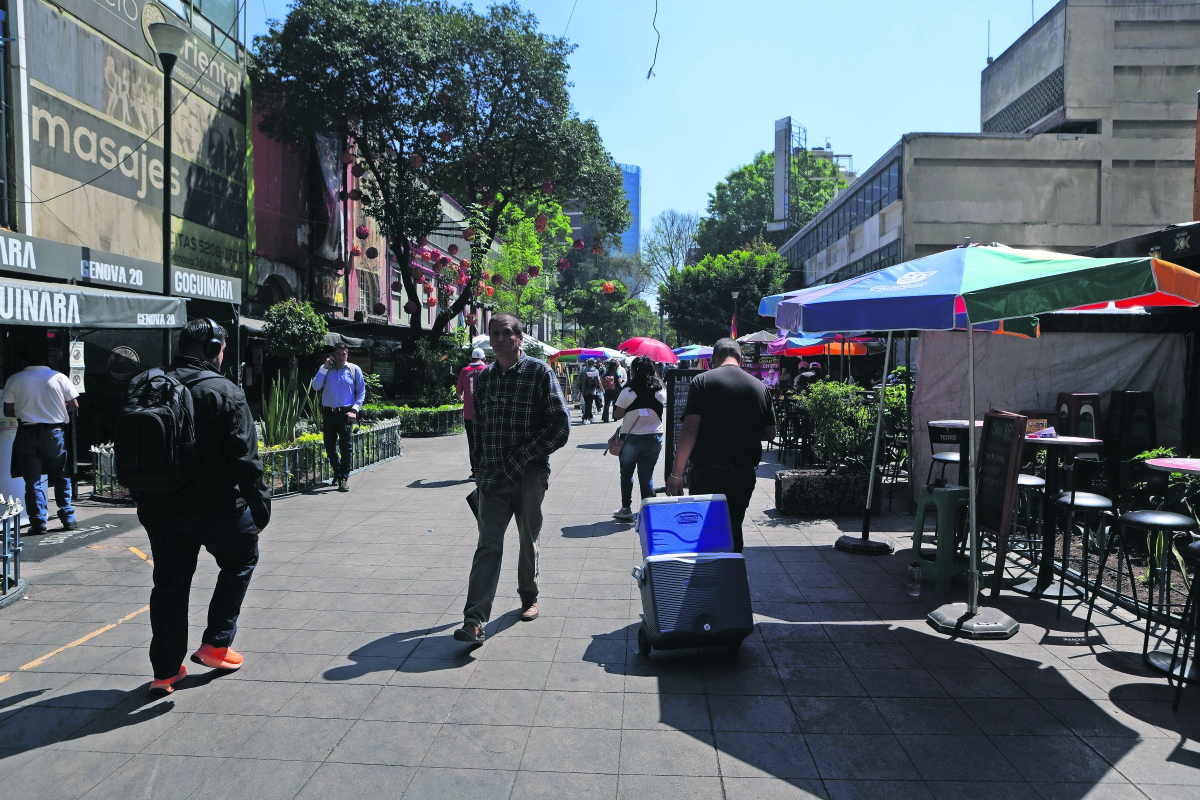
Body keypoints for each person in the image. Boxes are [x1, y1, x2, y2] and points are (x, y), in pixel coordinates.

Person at [135, 319, 271, 696]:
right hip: (217, 506)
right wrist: (260, 510)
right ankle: (216, 642)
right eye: (222, 349)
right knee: (242, 557)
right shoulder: (223, 390)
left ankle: (164, 673)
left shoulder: (150, 384)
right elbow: (245, 458)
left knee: (169, 582)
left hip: (160, 506)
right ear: (213, 348)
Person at [455, 313, 570, 643]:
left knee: (526, 537)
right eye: (495, 333)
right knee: (488, 544)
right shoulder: (486, 379)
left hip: (529, 475)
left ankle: (528, 596)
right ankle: (474, 620)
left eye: (507, 333)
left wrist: (524, 455)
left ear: (520, 338)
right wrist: (477, 465)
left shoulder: (538, 373)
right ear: (490, 340)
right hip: (492, 477)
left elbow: (560, 427)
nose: (501, 338)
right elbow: (479, 427)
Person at [666, 338, 776, 552]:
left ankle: (711, 577)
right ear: (740, 359)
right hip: (744, 473)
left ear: (712, 360)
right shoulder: (760, 387)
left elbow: (689, 429)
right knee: (734, 526)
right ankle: (733, 574)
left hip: (708, 472)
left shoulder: (702, 382)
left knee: (706, 529)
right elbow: (771, 433)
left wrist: (677, 473)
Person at [3, 343, 79, 534]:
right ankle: (68, 518)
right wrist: (58, 410)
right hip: (55, 432)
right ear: (46, 360)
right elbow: (74, 404)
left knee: (33, 480)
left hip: (27, 432)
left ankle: (38, 523)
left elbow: (8, 410)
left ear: (23, 360)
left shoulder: (14, 379)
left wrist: (26, 410)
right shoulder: (59, 377)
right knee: (61, 474)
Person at [611, 356, 666, 522]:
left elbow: (617, 415)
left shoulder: (628, 391)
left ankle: (626, 509)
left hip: (631, 437)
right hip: (655, 436)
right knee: (647, 475)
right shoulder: (660, 389)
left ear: (632, 371)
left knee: (627, 473)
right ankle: (648, 512)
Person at [310, 341, 366, 492]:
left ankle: (343, 479)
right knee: (329, 446)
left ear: (347, 354)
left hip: (346, 413)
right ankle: (338, 471)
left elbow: (361, 391)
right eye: (338, 354)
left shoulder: (354, 370)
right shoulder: (326, 370)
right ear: (333, 355)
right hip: (329, 412)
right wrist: (324, 367)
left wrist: (354, 410)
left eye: (344, 354)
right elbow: (315, 387)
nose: (341, 357)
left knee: (346, 447)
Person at [457, 349, 488, 479]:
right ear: (483, 358)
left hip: (469, 414)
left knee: (473, 442)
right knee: (486, 441)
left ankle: (475, 471)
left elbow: (459, 392)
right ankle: (486, 469)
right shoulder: (487, 369)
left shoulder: (465, 371)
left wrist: (464, 398)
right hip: (486, 413)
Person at [600, 358, 627, 423]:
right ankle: (615, 417)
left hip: (607, 390)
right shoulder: (617, 371)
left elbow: (601, 379)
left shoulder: (606, 372)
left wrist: (604, 385)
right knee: (615, 403)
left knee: (607, 404)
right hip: (615, 389)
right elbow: (620, 380)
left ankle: (605, 418)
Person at [579, 359, 602, 425]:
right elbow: (599, 381)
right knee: (589, 405)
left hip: (585, 390)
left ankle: (590, 417)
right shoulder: (596, 371)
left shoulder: (583, 371)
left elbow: (579, 381)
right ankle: (586, 418)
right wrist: (601, 388)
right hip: (592, 390)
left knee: (587, 404)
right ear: (593, 364)